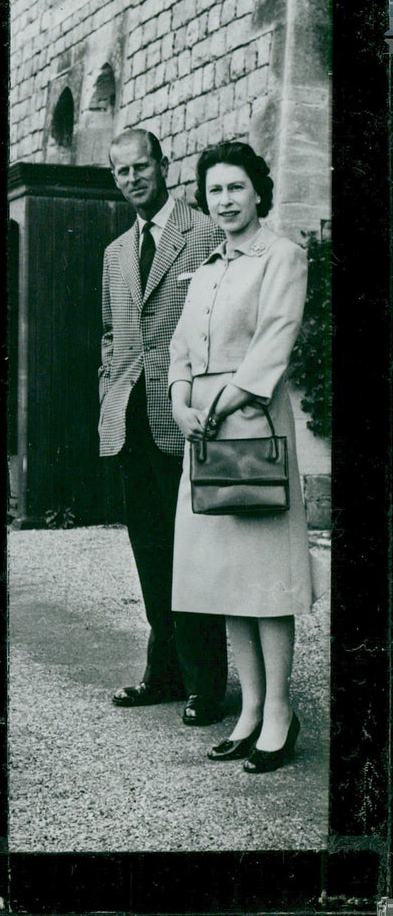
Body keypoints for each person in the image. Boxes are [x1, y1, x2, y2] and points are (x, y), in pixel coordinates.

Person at [168, 141, 312, 773]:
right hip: (203, 434)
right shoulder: (204, 269)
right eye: (214, 190)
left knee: (266, 581)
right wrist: (179, 402)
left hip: (250, 426)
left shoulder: (282, 256)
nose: (223, 201)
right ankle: (250, 711)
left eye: (235, 188)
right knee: (229, 582)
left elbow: (275, 340)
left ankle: (279, 712)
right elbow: (178, 349)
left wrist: (224, 402)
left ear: (259, 191)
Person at [99, 129, 228, 726]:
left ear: (163, 165)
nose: (132, 179)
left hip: (186, 419)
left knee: (196, 553)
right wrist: (109, 388)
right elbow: (112, 335)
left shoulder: (204, 232)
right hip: (131, 422)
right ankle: (165, 671)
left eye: (141, 167)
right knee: (151, 552)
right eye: (121, 172)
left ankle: (208, 682)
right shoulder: (116, 252)